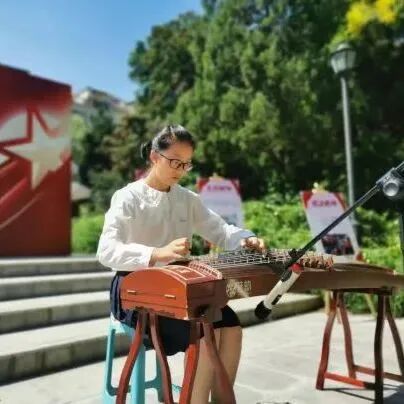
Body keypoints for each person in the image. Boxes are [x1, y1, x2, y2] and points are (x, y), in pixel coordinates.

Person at [97, 124, 265, 404]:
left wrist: (246, 238)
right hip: (134, 292)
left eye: (186, 164)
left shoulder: (187, 199)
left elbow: (221, 231)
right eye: (175, 161)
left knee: (231, 328)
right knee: (206, 333)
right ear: (154, 156)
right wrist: (156, 253)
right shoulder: (127, 197)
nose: (181, 170)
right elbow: (106, 251)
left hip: (180, 289)